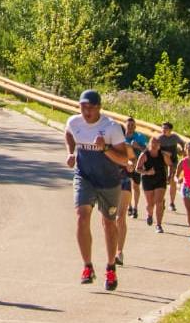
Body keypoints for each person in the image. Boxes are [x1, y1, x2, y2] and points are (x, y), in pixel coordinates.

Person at [65, 90, 132, 291]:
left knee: (109, 223)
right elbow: (68, 133)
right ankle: (87, 266)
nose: (86, 111)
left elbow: (124, 160)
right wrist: (70, 152)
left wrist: (104, 149)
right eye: (83, 107)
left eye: (91, 107)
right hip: (84, 177)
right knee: (81, 215)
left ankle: (111, 267)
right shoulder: (74, 122)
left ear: (99, 108)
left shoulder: (111, 128)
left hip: (109, 182)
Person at [135, 138, 169, 234]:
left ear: (159, 145)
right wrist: (147, 172)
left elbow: (170, 164)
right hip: (148, 180)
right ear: (149, 144)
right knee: (150, 204)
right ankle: (150, 215)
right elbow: (137, 169)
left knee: (159, 202)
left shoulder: (163, 155)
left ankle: (158, 225)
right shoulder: (144, 155)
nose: (154, 145)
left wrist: (170, 175)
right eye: (152, 143)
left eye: (156, 143)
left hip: (160, 179)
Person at [124, 117, 149, 224]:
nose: (130, 127)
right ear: (125, 125)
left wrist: (138, 146)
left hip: (137, 164)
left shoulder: (140, 137)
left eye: (132, 125)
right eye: (128, 125)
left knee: (135, 186)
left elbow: (146, 151)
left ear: (135, 126)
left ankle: (135, 207)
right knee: (127, 185)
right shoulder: (121, 136)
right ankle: (129, 206)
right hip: (124, 164)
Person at [155, 122, 184, 211]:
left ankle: (172, 203)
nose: (164, 130)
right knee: (162, 182)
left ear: (170, 130)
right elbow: (154, 148)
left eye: (166, 128)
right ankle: (162, 199)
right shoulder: (159, 138)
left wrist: (182, 150)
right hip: (162, 162)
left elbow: (182, 143)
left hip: (174, 161)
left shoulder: (174, 137)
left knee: (173, 181)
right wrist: (164, 153)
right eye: (163, 128)